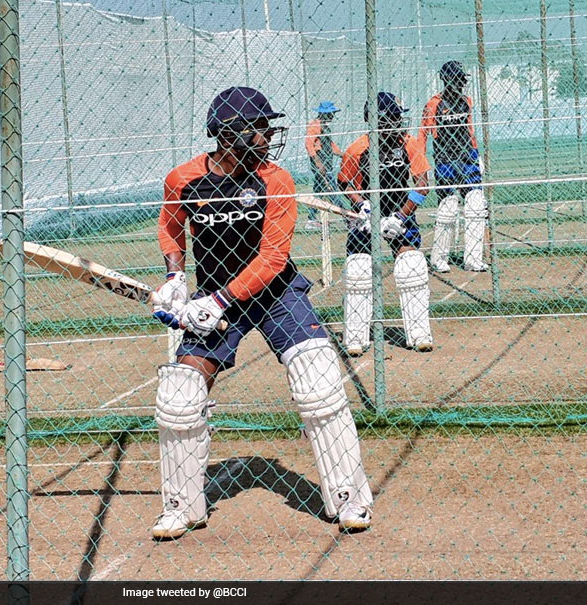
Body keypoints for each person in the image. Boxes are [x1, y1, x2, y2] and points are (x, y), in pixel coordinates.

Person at [149, 86, 373, 540]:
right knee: (180, 394)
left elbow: (272, 259)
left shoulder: (277, 180)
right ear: (228, 133)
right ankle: (181, 507)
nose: (268, 138)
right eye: (259, 130)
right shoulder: (183, 180)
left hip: (276, 294)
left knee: (318, 379)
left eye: (269, 130)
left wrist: (216, 302)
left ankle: (350, 498)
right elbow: (171, 229)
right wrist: (175, 278)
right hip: (213, 295)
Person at [337, 92, 434, 356]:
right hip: (366, 214)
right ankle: (355, 338)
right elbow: (344, 182)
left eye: (398, 117)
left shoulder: (409, 143)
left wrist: (401, 217)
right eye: (392, 117)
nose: (398, 122)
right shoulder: (357, 149)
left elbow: (422, 184)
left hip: (399, 209)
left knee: (411, 264)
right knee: (358, 268)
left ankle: (419, 334)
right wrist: (361, 205)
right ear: (377, 120)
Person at [418, 60, 489, 273]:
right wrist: (421, 165)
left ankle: (473, 259)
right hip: (445, 161)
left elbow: (470, 130)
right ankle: (439, 258)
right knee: (448, 207)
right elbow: (423, 135)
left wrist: (477, 155)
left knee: (476, 205)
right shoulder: (434, 104)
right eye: (457, 79)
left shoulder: (466, 101)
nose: (461, 83)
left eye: (462, 79)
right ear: (447, 80)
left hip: (468, 159)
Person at [304, 101, 344, 230]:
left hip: (327, 161)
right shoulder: (315, 125)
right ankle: (345, 216)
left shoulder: (325, 126)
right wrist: (317, 162)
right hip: (321, 161)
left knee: (319, 191)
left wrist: (342, 154)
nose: (332, 115)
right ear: (324, 113)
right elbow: (309, 144)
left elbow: (330, 145)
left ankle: (311, 219)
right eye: (330, 113)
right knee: (332, 189)